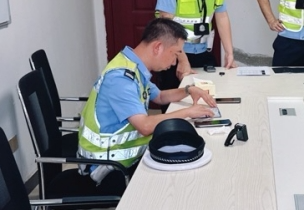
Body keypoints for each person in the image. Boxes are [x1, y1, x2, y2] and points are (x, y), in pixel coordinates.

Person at [78, 18, 217, 184]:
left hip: (126, 158)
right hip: (108, 168)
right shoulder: (121, 79)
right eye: (175, 54)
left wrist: (188, 90)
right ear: (158, 47)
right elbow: (144, 126)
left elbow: (160, 97)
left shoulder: (133, 66)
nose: (174, 62)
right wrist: (188, 112)